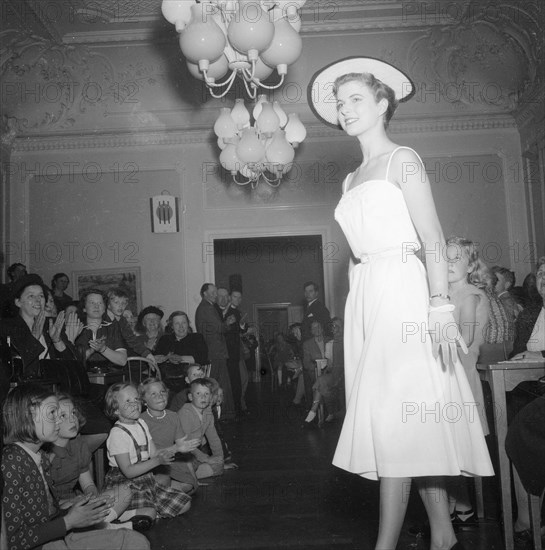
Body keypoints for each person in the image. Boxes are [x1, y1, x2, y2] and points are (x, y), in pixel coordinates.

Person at [308, 57, 493, 550]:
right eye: (340, 102)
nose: (345, 110)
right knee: (410, 420)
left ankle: (385, 544)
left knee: (401, 416)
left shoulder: (402, 159)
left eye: (356, 100)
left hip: (406, 292)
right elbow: (354, 254)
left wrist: (438, 306)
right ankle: (442, 531)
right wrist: (354, 308)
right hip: (368, 295)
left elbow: (432, 237)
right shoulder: (350, 179)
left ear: (382, 104)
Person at [1, 383, 149, 549]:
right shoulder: (11, 463)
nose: (60, 420)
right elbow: (12, 541)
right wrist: (70, 520)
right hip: (44, 543)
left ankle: (104, 525)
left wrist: (77, 509)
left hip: (57, 531)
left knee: (137, 542)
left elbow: (50, 512)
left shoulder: (38, 456)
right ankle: (106, 526)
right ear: (27, 417)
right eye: (52, 413)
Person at [102, 382, 192, 529]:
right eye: (128, 401)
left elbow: (154, 453)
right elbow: (128, 471)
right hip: (126, 483)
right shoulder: (117, 433)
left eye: (136, 399)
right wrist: (157, 461)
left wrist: (177, 447)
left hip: (146, 480)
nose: (134, 404)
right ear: (116, 409)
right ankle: (118, 523)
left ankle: (140, 515)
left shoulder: (141, 423)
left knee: (185, 503)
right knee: (149, 511)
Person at [47, 392, 135, 530]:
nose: (72, 420)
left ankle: (101, 525)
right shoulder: (45, 453)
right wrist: (73, 502)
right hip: (56, 509)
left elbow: (87, 484)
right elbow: (46, 503)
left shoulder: (79, 445)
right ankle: (105, 526)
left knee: (124, 491)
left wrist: (93, 498)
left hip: (78, 501)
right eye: (63, 416)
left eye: (73, 413)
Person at [138, 377, 200, 494]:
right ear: (144, 400)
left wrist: (194, 479)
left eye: (162, 392)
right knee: (163, 481)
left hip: (171, 459)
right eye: (153, 394)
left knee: (189, 485)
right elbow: (147, 455)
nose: (160, 396)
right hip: (152, 463)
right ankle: (161, 491)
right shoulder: (141, 420)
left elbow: (183, 448)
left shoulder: (173, 416)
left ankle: (163, 491)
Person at [195, 284, 235, 419]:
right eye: (212, 292)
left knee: (217, 383)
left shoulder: (206, 307)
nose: (215, 295)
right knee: (217, 384)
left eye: (215, 292)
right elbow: (220, 328)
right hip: (215, 351)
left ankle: (220, 414)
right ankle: (221, 415)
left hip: (213, 351)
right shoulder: (207, 308)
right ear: (204, 293)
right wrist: (228, 322)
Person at [178, 378, 224, 479]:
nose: (203, 397)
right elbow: (186, 442)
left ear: (211, 397)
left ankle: (190, 476)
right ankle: (182, 478)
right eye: (198, 393)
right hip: (180, 451)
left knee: (218, 466)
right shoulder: (186, 413)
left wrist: (219, 458)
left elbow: (214, 438)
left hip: (194, 451)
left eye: (206, 394)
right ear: (190, 397)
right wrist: (206, 459)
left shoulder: (207, 413)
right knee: (191, 463)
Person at [75, 289, 127, 368]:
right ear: (84, 308)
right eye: (92, 303)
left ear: (104, 308)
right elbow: (72, 361)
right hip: (83, 374)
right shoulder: (77, 328)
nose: (96, 306)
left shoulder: (112, 327)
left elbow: (122, 361)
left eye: (100, 303)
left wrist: (103, 349)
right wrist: (91, 350)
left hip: (110, 375)